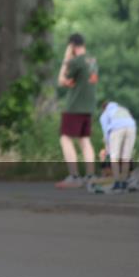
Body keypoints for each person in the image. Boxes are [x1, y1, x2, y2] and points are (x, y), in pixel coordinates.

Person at [55, 33, 98, 188]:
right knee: (84, 140)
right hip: (88, 107)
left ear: (72, 46)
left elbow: (61, 81)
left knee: (65, 138)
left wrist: (66, 59)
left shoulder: (76, 61)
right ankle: (90, 175)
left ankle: (74, 176)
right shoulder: (92, 61)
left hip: (74, 107)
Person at [97, 99, 137, 193]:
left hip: (117, 129)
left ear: (104, 108)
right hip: (131, 127)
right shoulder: (123, 109)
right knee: (126, 157)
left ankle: (117, 182)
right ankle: (124, 182)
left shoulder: (105, 113)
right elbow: (131, 119)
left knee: (114, 157)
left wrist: (108, 146)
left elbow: (106, 131)